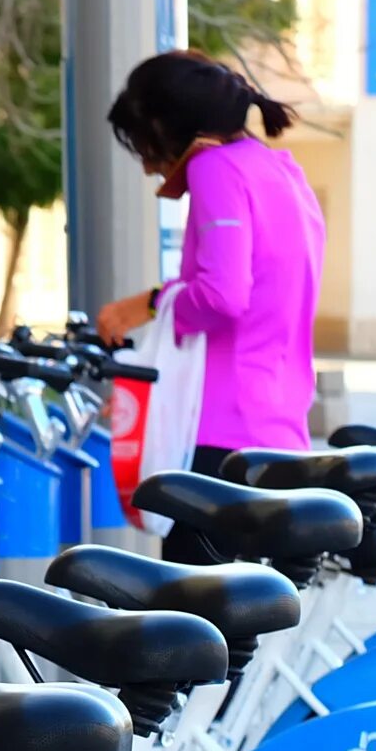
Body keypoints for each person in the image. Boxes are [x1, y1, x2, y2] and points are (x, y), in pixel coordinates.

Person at [93, 50, 323, 561]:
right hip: (278, 423)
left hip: (223, 437)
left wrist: (151, 303)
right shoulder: (283, 172)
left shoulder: (216, 170)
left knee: (182, 628)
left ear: (163, 125)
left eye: (141, 142)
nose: (147, 162)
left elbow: (223, 296)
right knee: (221, 623)